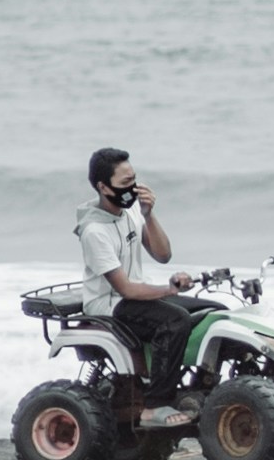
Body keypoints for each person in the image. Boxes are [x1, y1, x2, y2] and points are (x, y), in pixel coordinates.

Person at [76, 148, 195, 397]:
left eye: (134, 180)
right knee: (176, 320)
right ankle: (157, 403)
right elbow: (126, 289)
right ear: (104, 187)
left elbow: (163, 255)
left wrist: (148, 215)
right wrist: (169, 289)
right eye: (126, 183)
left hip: (133, 295)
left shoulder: (131, 212)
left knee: (208, 310)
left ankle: (198, 385)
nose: (134, 188)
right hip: (109, 304)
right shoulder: (94, 231)